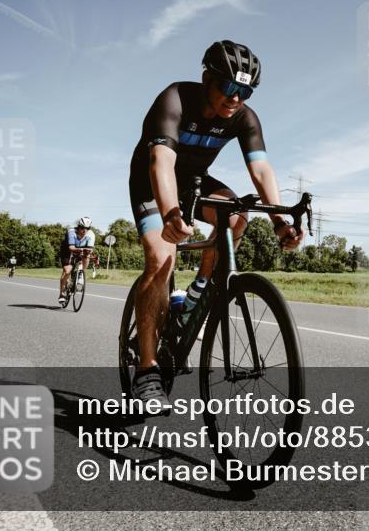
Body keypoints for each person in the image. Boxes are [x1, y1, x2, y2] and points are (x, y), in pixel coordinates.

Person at [127, 39, 303, 406]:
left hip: (194, 182)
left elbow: (260, 169)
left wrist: (280, 222)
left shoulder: (244, 117)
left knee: (238, 215)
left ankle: (198, 292)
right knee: (162, 261)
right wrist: (171, 215)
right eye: (228, 87)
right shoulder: (175, 99)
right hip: (152, 181)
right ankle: (147, 369)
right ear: (207, 78)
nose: (236, 98)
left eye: (245, 91)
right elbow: (161, 161)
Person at [58, 217, 95, 306]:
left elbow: (90, 249)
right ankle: (62, 293)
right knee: (67, 271)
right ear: (78, 227)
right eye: (82, 228)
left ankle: (81, 272)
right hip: (68, 252)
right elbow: (71, 247)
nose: (84, 230)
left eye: (87, 228)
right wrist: (83, 249)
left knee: (87, 255)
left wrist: (87, 251)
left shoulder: (91, 235)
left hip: (80, 251)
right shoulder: (71, 232)